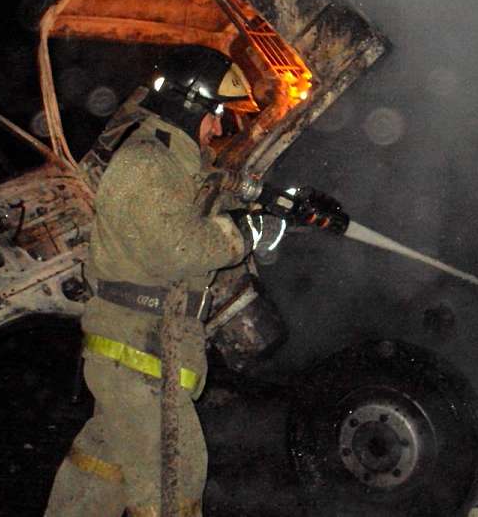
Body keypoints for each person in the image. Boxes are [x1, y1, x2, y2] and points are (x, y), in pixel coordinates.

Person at [45, 45, 296, 517]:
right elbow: (179, 249)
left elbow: (205, 211)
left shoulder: (175, 166)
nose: (220, 127)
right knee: (173, 485)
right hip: (141, 357)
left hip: (140, 354)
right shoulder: (146, 166)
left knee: (100, 475)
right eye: (217, 114)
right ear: (190, 106)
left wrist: (269, 210)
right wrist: (244, 232)